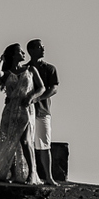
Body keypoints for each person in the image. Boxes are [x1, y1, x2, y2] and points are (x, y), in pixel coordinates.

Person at [0, 43, 44, 184]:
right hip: (10, 109)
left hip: (25, 108)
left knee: (26, 141)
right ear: (14, 55)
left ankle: (32, 173)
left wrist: (31, 97)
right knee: (11, 141)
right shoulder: (8, 73)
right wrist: (2, 58)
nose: (23, 53)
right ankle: (14, 174)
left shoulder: (30, 69)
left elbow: (41, 88)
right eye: (20, 51)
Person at [27, 39, 60, 185]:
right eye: (40, 47)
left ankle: (48, 177)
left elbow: (54, 88)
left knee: (45, 145)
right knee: (27, 143)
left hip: (43, 110)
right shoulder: (25, 69)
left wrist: (38, 98)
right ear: (32, 50)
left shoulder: (49, 69)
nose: (43, 49)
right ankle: (30, 175)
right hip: (27, 111)